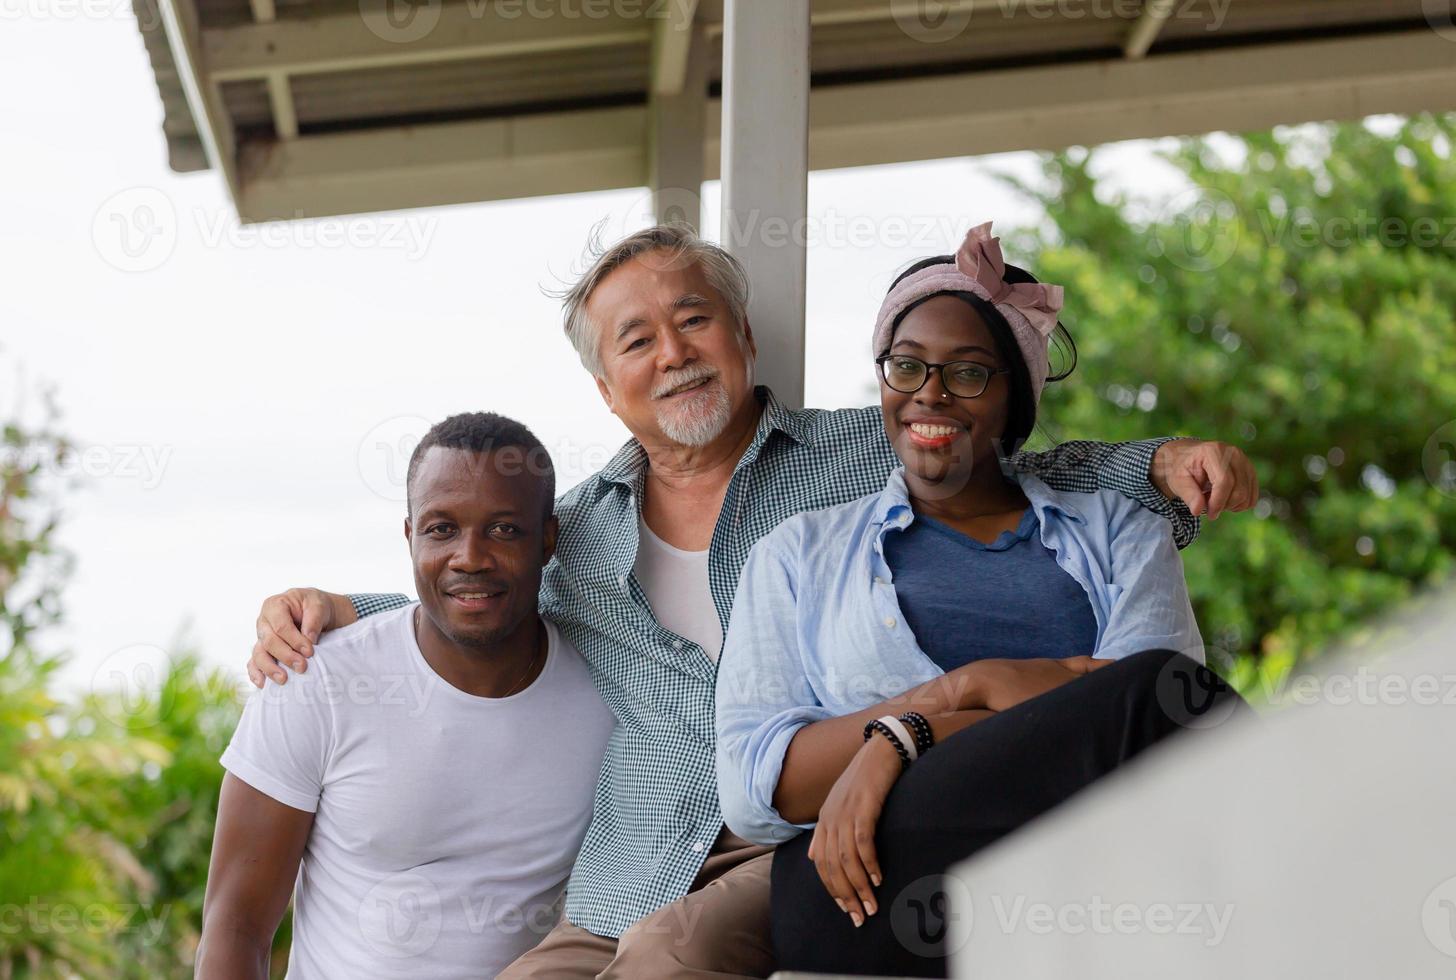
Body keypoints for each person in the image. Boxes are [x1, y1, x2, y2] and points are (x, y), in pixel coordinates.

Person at [240, 226, 1259, 977]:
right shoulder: (578, 530)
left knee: (674, 961)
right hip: (627, 876)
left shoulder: (865, 450)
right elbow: (482, 581)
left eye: (692, 321)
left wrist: (1162, 461)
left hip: (806, 827)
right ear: (606, 389)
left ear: (741, 335)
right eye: (635, 341)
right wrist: (340, 601)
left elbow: (1030, 467)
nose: (673, 353)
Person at [715, 223, 1251, 978]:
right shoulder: (799, 553)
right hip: (868, 884)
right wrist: (938, 706)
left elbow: (1157, 709)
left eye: (968, 373)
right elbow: (754, 786)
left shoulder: (1117, 530)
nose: (929, 393)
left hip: (1080, 863)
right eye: (907, 366)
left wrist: (897, 740)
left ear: (1013, 400)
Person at [197, 414, 613, 979]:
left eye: (504, 529)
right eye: (442, 529)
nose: (470, 556)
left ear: (547, 541)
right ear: (409, 536)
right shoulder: (316, 680)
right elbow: (235, 925)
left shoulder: (608, 694)